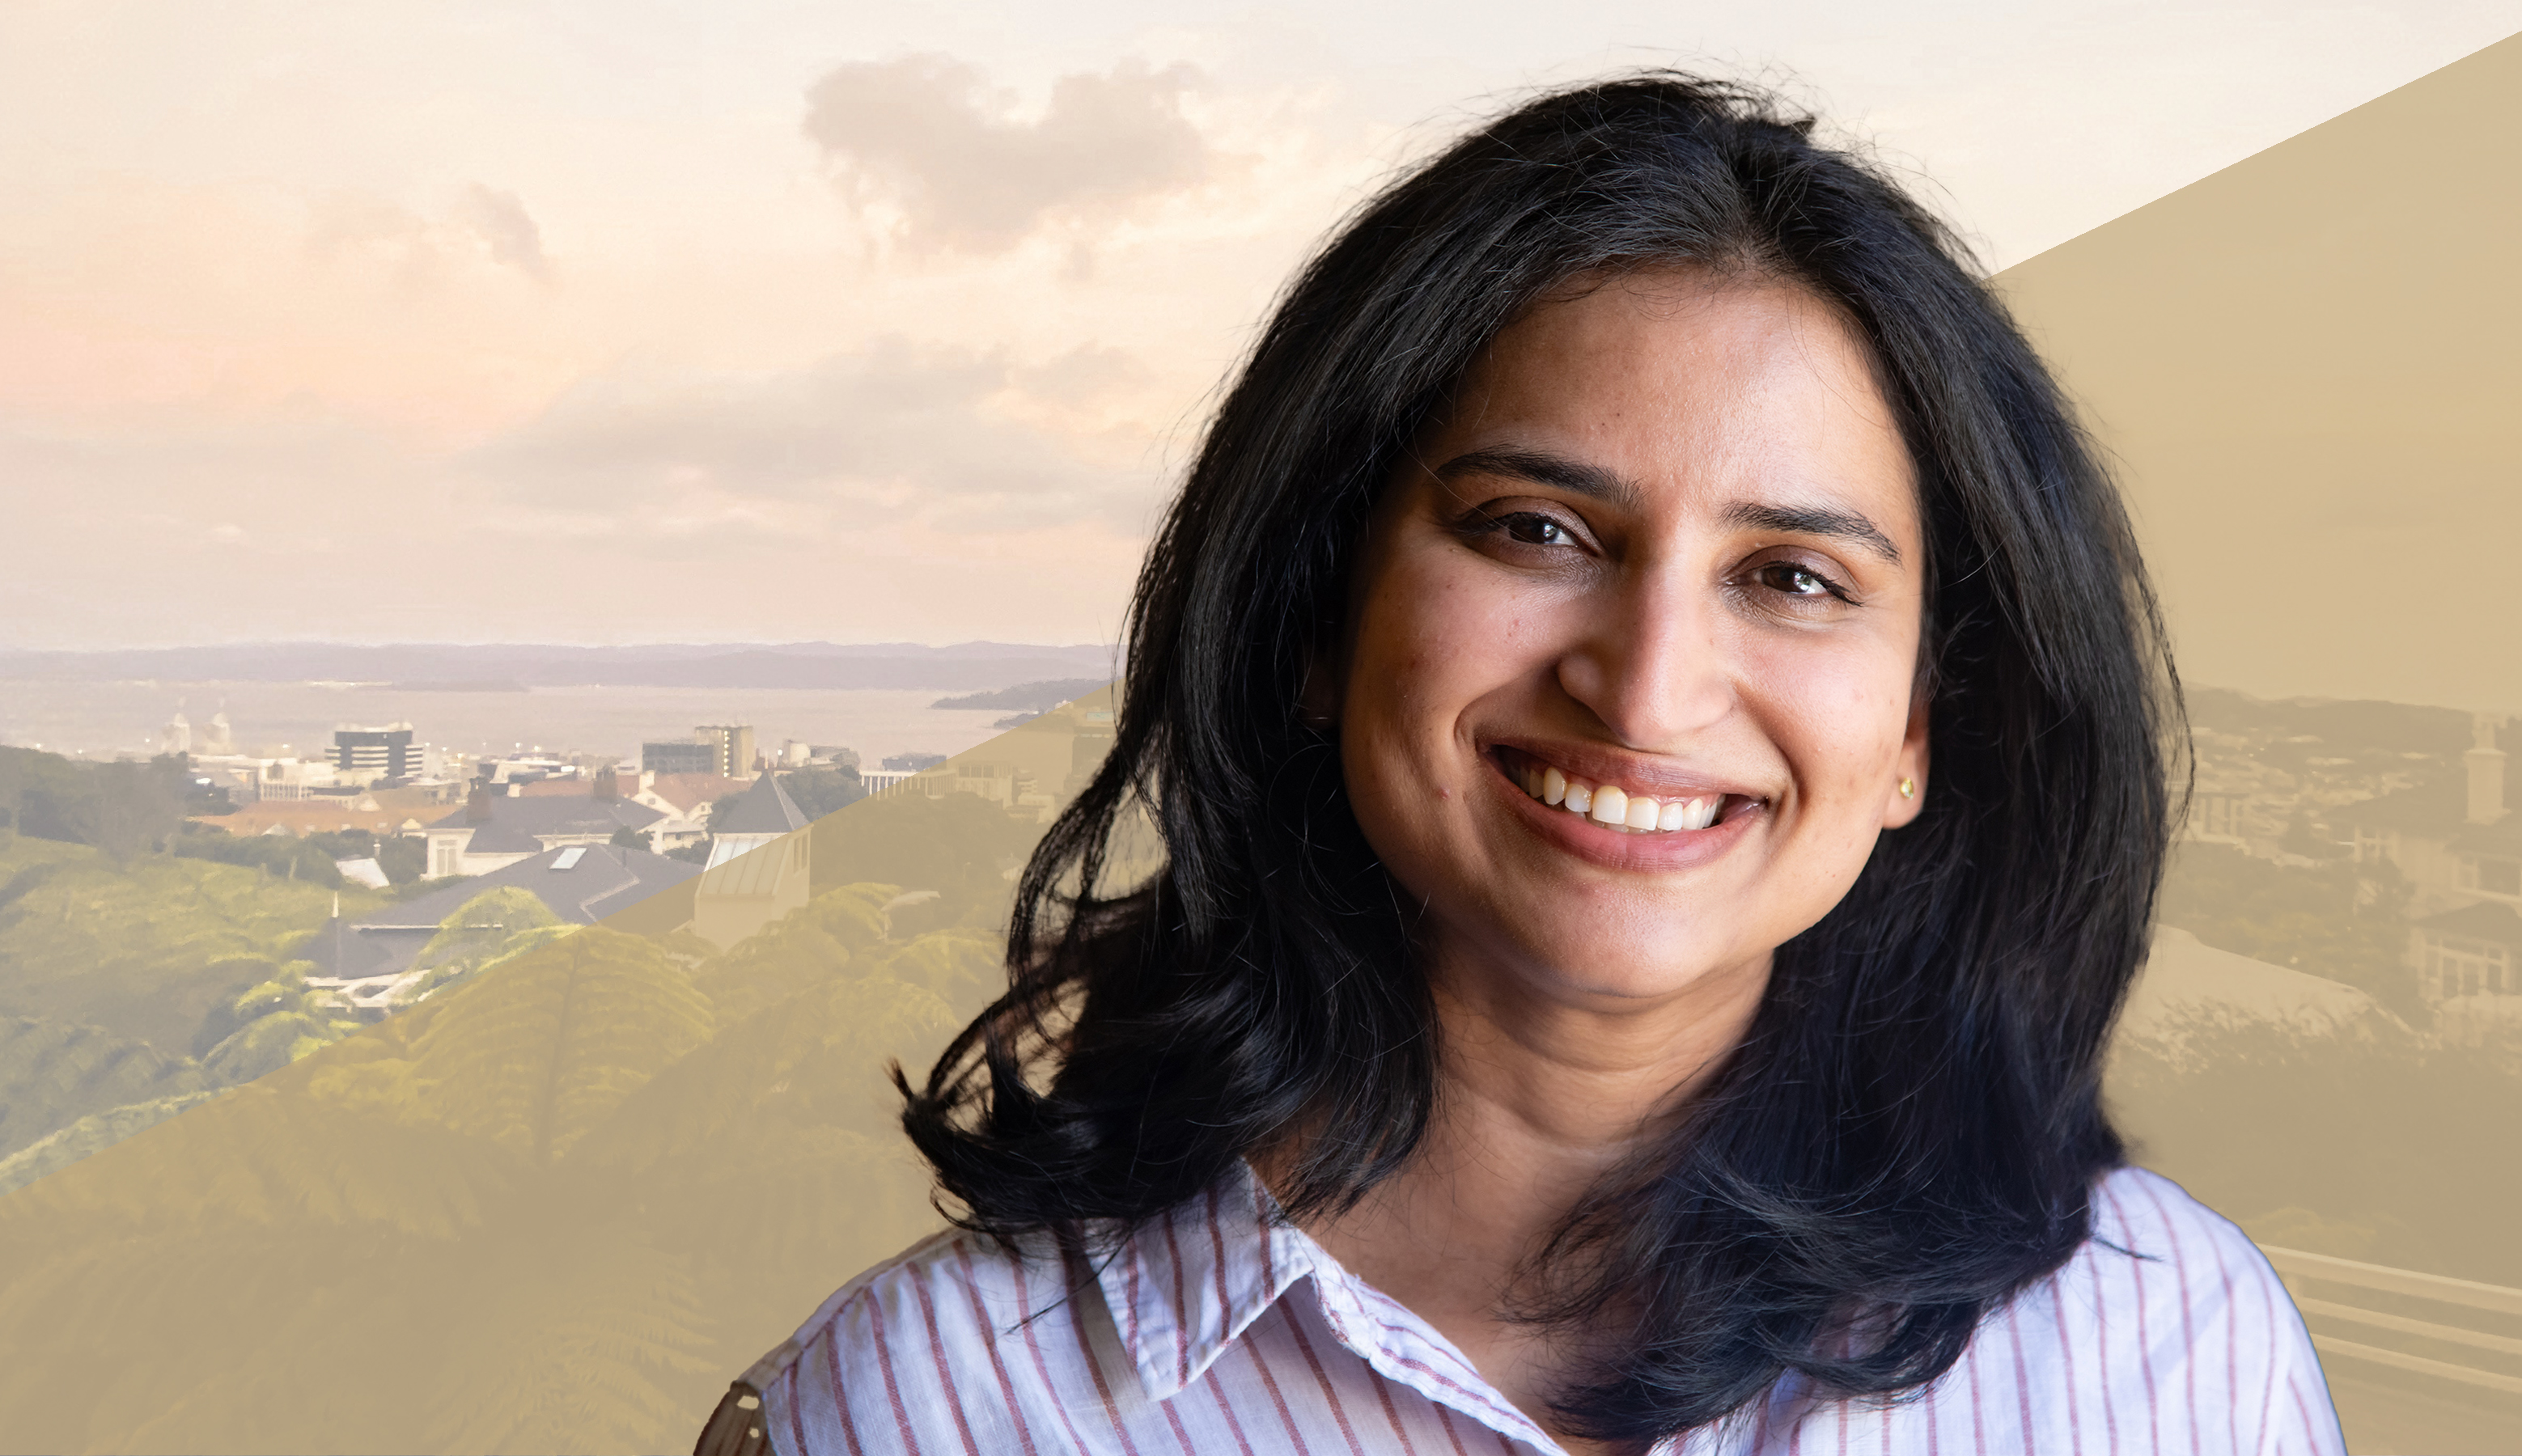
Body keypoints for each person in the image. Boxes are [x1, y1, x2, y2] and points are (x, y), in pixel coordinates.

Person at [697, 74, 2346, 1456]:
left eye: (1791, 575)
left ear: (1922, 726)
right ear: (1317, 616)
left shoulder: (2168, 1359)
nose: (1646, 688)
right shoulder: (913, 1409)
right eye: (1537, 531)